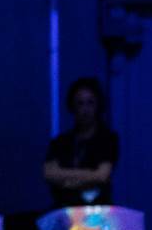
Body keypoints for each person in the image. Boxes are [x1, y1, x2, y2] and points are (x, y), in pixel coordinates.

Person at [45, 76, 119, 208]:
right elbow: (50, 174)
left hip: (97, 211)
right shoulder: (60, 142)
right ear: (72, 106)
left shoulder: (107, 139)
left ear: (98, 105)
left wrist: (66, 180)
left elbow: (102, 175)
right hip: (64, 209)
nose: (85, 110)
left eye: (90, 103)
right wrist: (89, 176)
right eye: (80, 103)